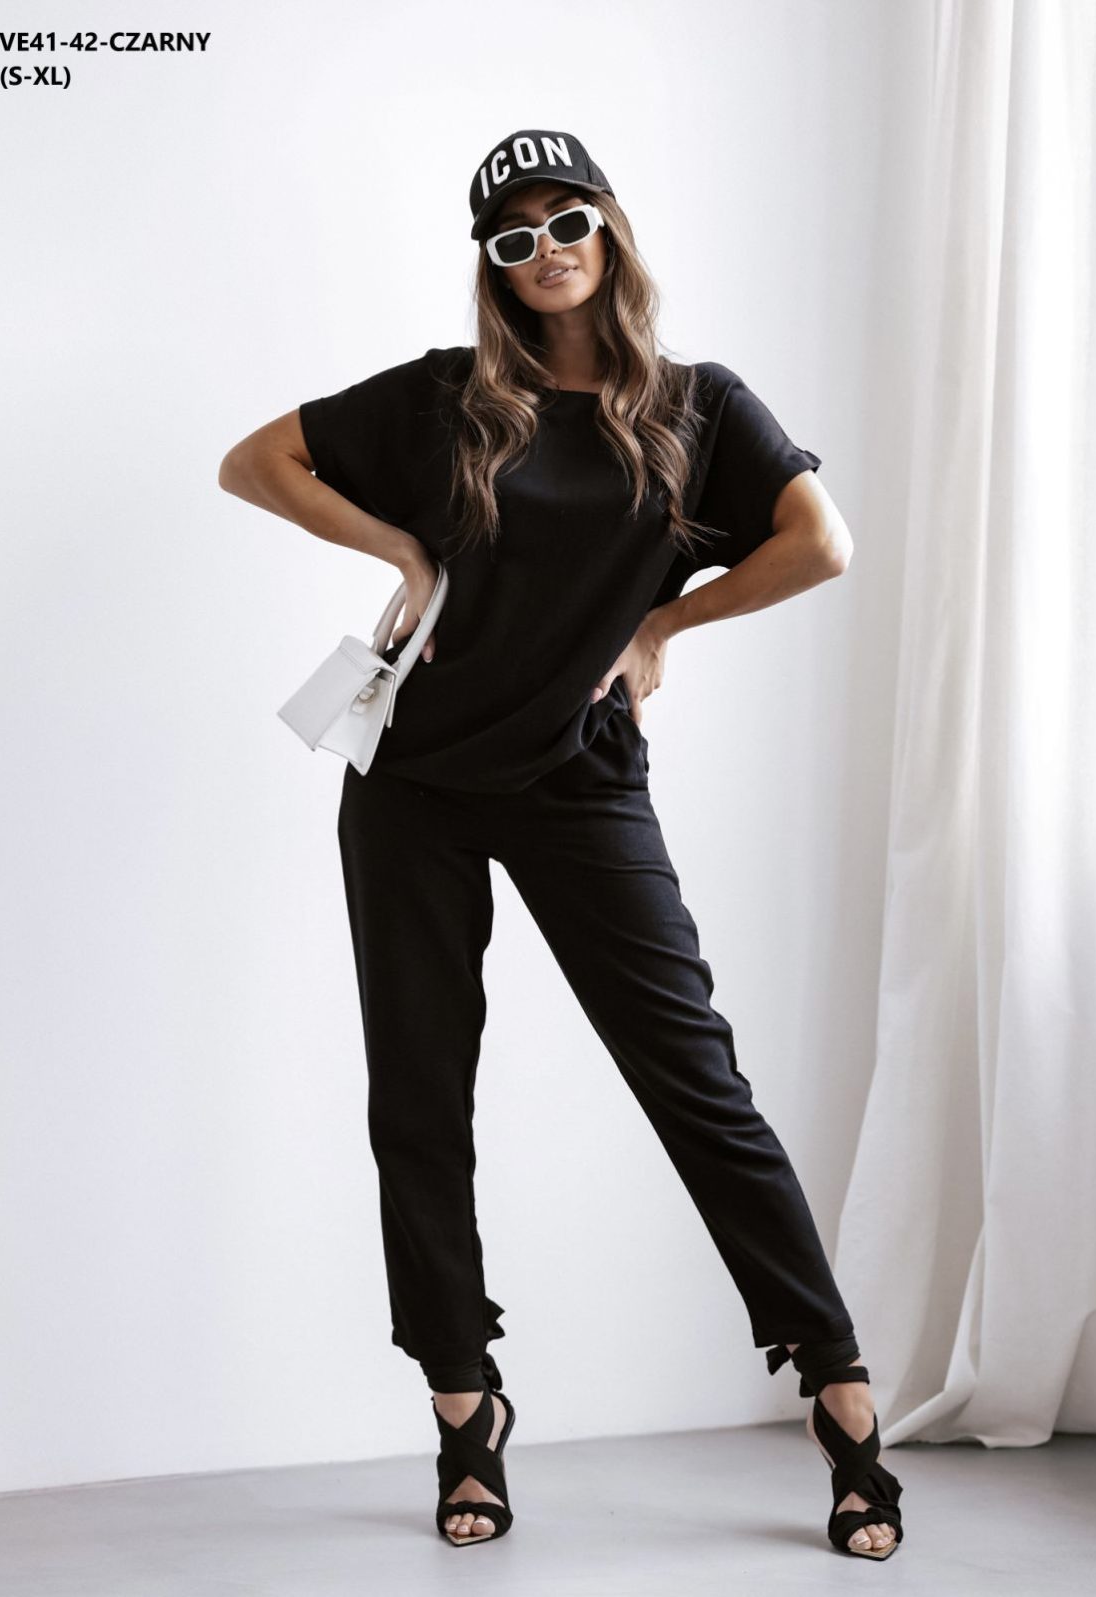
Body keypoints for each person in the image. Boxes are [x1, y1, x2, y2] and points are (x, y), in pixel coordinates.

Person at [218, 128, 904, 1560]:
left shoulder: (700, 408)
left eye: (566, 218)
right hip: (412, 782)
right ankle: (464, 1408)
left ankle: (838, 1389)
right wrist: (404, 551)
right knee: (419, 1092)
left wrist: (665, 622)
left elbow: (820, 542)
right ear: (491, 265)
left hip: (580, 781)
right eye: (512, 236)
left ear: (610, 226)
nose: (546, 251)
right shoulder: (446, 400)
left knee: (696, 1082)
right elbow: (255, 461)